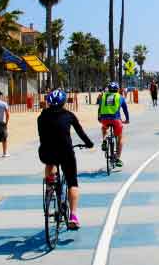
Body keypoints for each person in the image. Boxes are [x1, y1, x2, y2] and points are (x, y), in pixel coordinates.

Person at [38, 89, 94, 230]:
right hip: (66, 152)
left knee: (50, 161)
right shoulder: (69, 115)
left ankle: (50, 183)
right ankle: (73, 216)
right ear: (63, 102)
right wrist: (89, 143)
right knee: (72, 183)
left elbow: (42, 136)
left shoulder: (41, 117)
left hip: (47, 152)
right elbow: (80, 133)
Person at [98, 82, 130, 167]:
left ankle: (104, 140)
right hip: (116, 120)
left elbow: (100, 108)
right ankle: (117, 158)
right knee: (120, 138)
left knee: (104, 128)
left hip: (104, 119)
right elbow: (125, 110)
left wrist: (99, 118)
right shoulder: (120, 97)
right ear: (117, 89)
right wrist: (127, 119)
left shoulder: (103, 96)